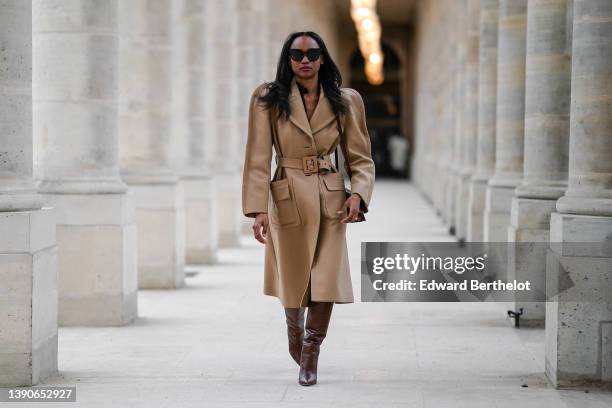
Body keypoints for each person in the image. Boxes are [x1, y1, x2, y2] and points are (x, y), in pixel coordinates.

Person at [241, 31, 375, 386]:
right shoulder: (268, 98)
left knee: (326, 277)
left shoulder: (346, 100)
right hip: (287, 195)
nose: (305, 60)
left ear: (322, 58)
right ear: (287, 59)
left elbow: (360, 158)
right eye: (297, 54)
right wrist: (258, 209)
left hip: (331, 198)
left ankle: (311, 352)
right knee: (293, 273)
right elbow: (257, 157)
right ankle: (294, 333)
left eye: (313, 53)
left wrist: (358, 194)